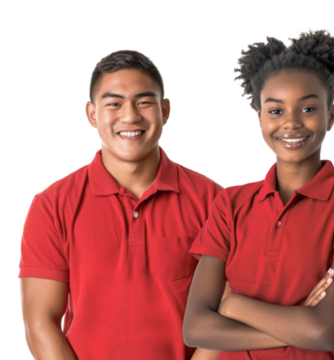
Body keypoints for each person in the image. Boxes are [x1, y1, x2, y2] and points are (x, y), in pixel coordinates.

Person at [18, 48, 223, 360]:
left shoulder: (215, 202)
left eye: (143, 102)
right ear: (91, 113)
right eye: (114, 103)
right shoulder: (51, 205)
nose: (130, 116)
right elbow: (40, 322)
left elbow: (228, 311)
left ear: (165, 110)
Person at [182, 27, 334, 360]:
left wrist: (233, 305)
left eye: (307, 109)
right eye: (276, 111)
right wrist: (295, 326)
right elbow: (196, 327)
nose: (290, 124)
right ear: (260, 118)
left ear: (332, 115)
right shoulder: (231, 204)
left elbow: (326, 331)